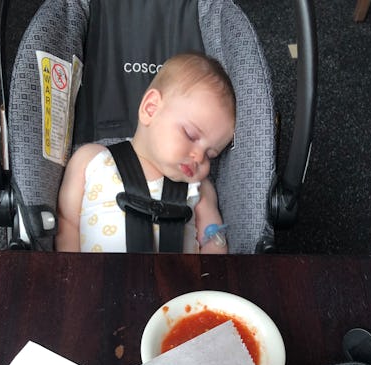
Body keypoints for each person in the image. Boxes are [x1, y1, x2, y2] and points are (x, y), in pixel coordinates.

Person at [56, 53, 236, 253]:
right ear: (151, 109)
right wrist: (71, 274)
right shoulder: (90, 159)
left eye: (211, 154)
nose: (199, 157)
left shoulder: (200, 188)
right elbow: (67, 222)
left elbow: (214, 243)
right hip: (96, 281)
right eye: (191, 135)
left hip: (180, 284)